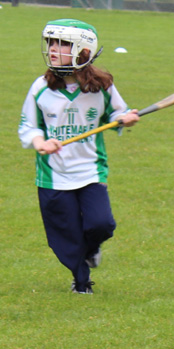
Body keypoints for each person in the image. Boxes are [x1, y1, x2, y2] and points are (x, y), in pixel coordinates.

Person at [19, 19, 140, 294]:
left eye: (62, 44)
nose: (52, 49)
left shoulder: (102, 87)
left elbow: (118, 113)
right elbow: (28, 126)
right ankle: (81, 282)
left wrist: (125, 118)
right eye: (50, 42)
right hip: (53, 175)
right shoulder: (41, 87)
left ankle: (92, 248)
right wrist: (40, 142)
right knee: (66, 237)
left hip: (90, 171)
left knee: (102, 224)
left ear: (84, 51)